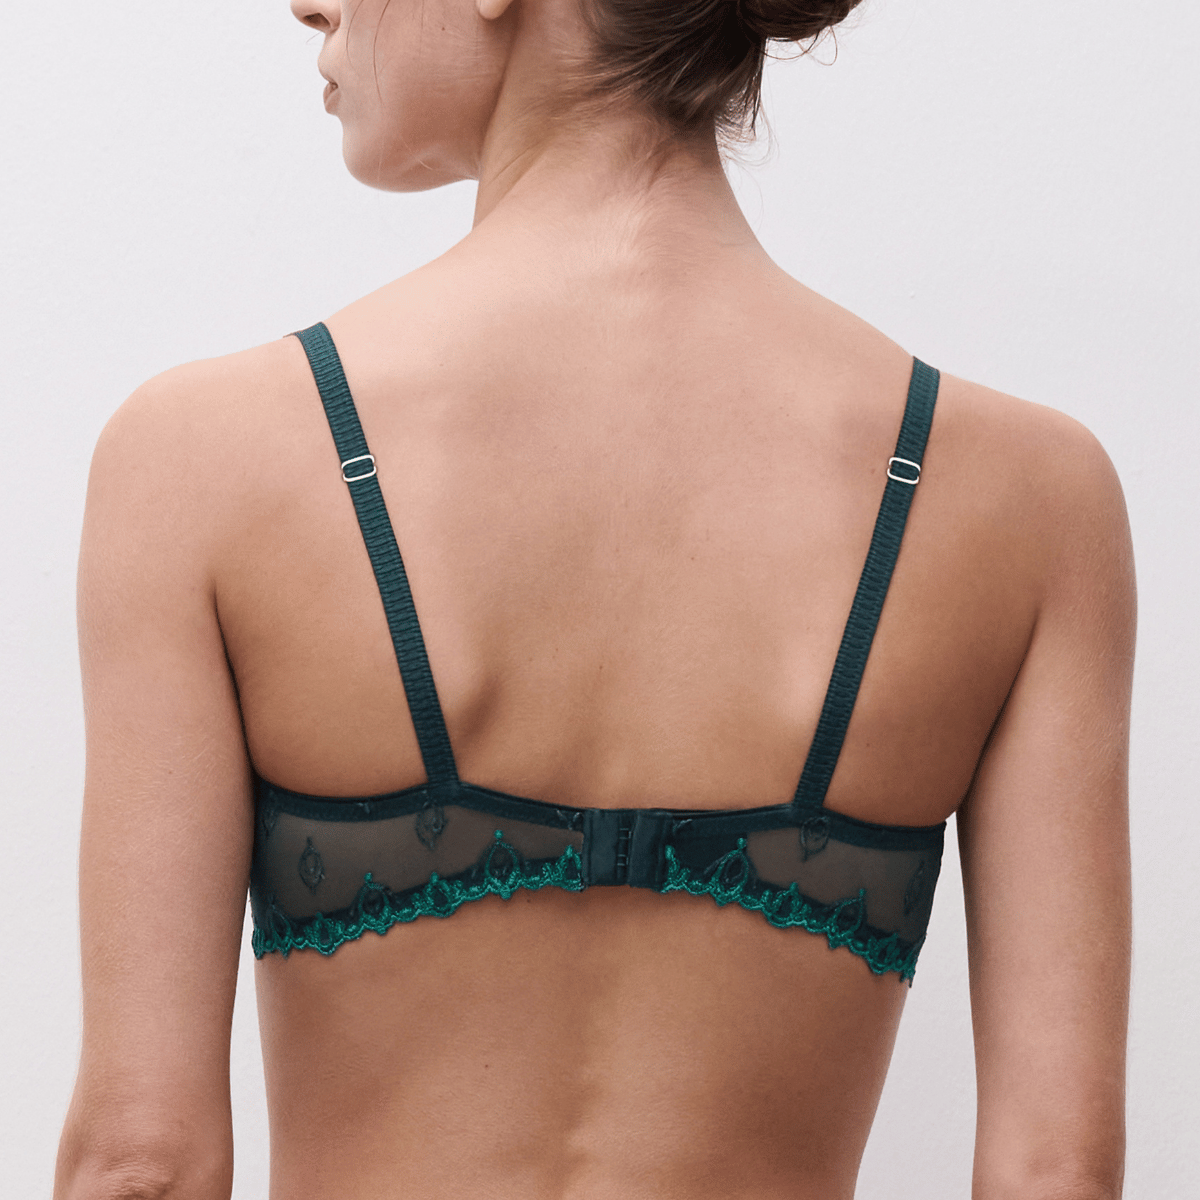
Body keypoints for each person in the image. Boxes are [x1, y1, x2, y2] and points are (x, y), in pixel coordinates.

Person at [53, 1, 1134, 1197]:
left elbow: (141, 1165)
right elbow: (1055, 1175)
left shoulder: (203, 462)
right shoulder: (1026, 498)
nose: (308, 1)